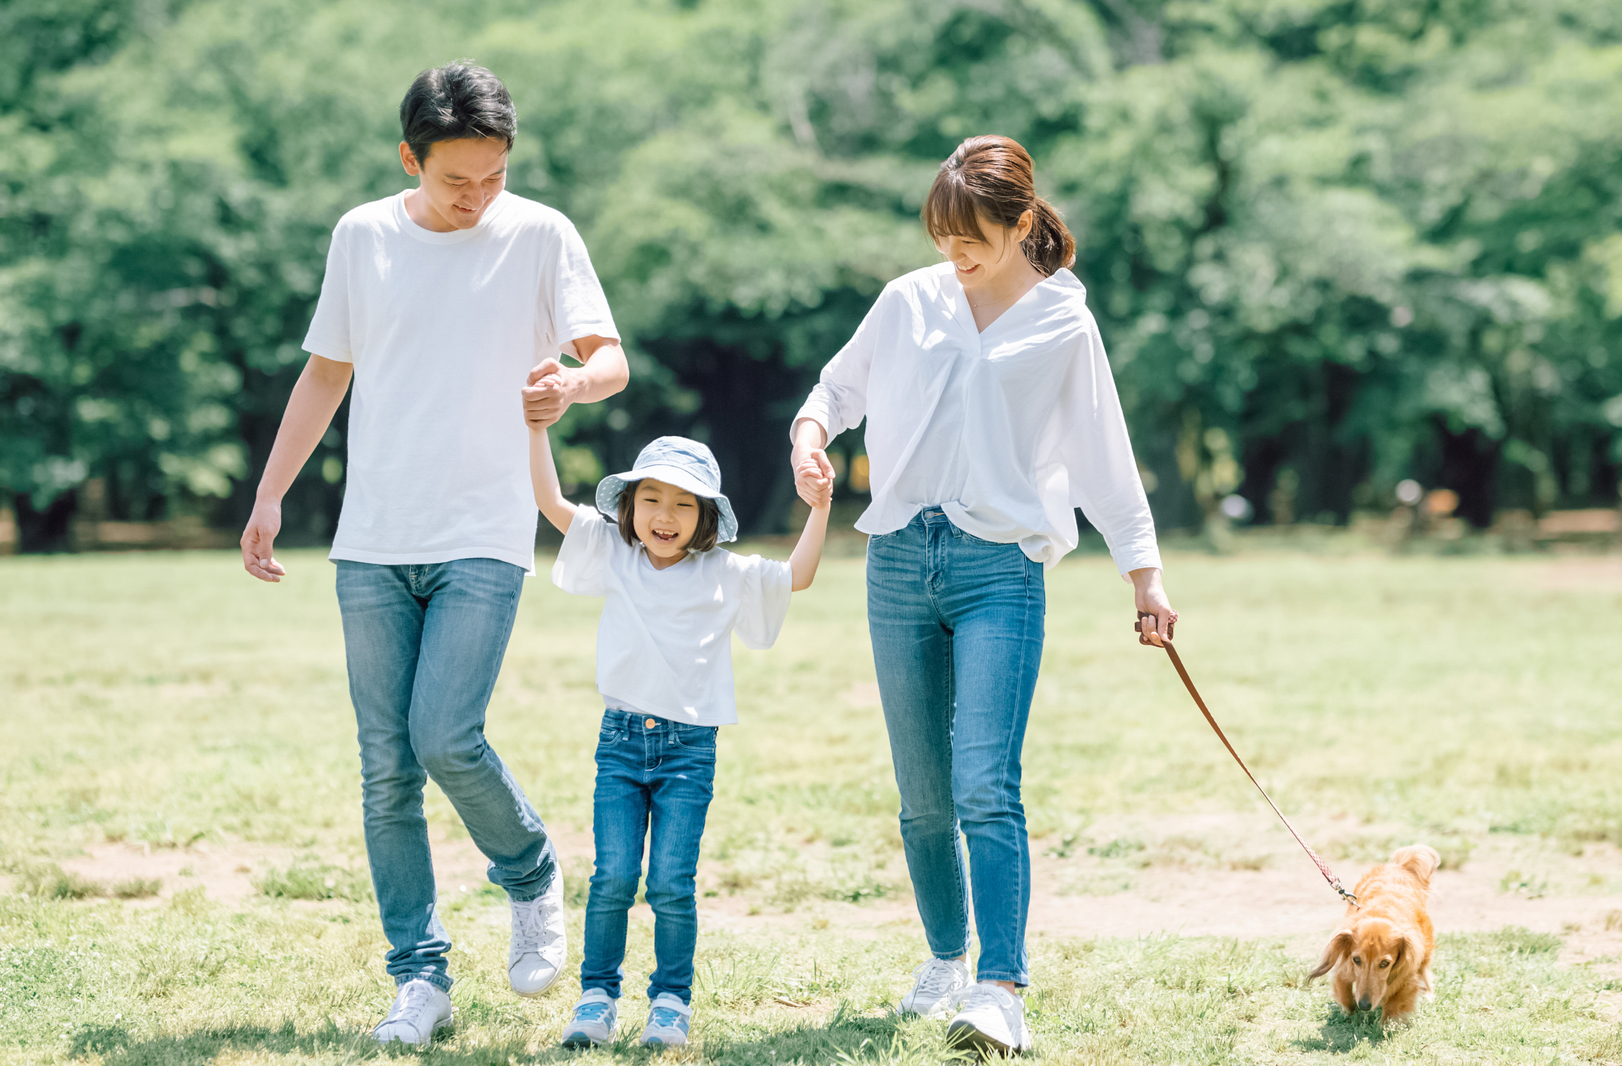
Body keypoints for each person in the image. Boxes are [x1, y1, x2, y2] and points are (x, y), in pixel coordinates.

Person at [238, 62, 629, 1047]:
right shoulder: (362, 235)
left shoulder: (540, 234)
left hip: (483, 531)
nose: (478, 196)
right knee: (384, 769)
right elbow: (328, 372)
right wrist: (271, 493)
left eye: (493, 175)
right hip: (372, 537)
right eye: (457, 179)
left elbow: (608, 358)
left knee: (443, 733)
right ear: (410, 158)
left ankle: (531, 869)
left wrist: (571, 389)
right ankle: (419, 980)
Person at [788, 134, 1177, 1055]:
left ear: (1020, 222)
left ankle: (1001, 987)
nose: (954, 256)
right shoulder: (908, 301)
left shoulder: (1062, 323)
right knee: (921, 795)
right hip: (896, 562)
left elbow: (1101, 455)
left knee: (983, 786)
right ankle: (943, 959)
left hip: (999, 564)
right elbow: (836, 390)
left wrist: (1144, 574)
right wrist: (811, 434)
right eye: (942, 236)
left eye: (973, 238)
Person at [528, 430, 831, 1048]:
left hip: (689, 751)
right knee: (612, 875)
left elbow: (796, 577)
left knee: (670, 881)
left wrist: (821, 506)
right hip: (619, 743)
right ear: (629, 508)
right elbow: (550, 499)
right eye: (651, 499)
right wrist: (537, 429)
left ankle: (670, 1002)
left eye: (684, 504)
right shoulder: (616, 556)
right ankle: (597, 998)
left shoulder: (727, 573)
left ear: (706, 519)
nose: (664, 516)